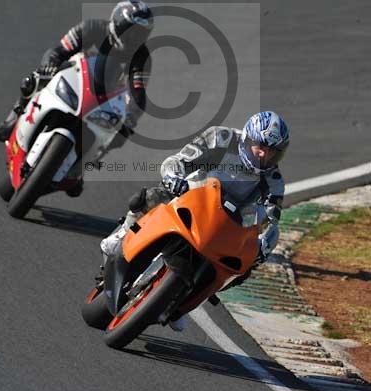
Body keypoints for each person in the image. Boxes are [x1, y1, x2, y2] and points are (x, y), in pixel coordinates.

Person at [100, 110, 290, 331]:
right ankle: (121, 235)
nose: (264, 157)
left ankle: (183, 302)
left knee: (243, 268)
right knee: (151, 197)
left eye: (272, 153)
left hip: (228, 226)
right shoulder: (221, 138)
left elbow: (271, 219)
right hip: (191, 197)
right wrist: (174, 177)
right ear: (248, 138)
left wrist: (263, 244)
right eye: (261, 148)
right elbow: (179, 159)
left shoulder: (274, 182)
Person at [0, 0, 154, 189]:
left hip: (105, 98)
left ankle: (82, 167)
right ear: (117, 23)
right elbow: (58, 51)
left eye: (141, 34)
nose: (134, 38)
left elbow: (137, 93)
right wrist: (49, 65)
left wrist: (130, 120)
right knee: (32, 80)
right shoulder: (92, 28)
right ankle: (12, 119)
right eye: (131, 31)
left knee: (118, 137)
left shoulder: (142, 58)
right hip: (73, 77)